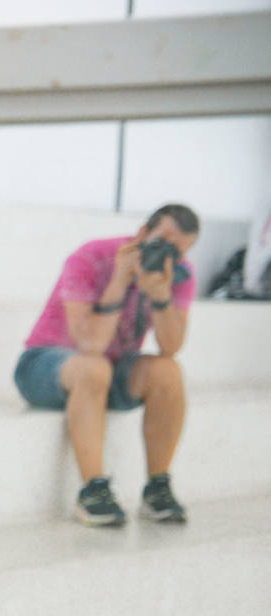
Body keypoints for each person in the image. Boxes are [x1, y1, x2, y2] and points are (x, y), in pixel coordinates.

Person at [13, 203, 200, 526]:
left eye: (177, 252)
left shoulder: (176, 275)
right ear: (142, 233)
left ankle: (157, 489)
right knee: (93, 366)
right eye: (162, 244)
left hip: (110, 368)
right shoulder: (91, 257)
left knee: (167, 371)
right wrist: (119, 279)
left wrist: (159, 295)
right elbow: (90, 344)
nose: (167, 256)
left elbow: (171, 347)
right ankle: (93, 490)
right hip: (43, 365)